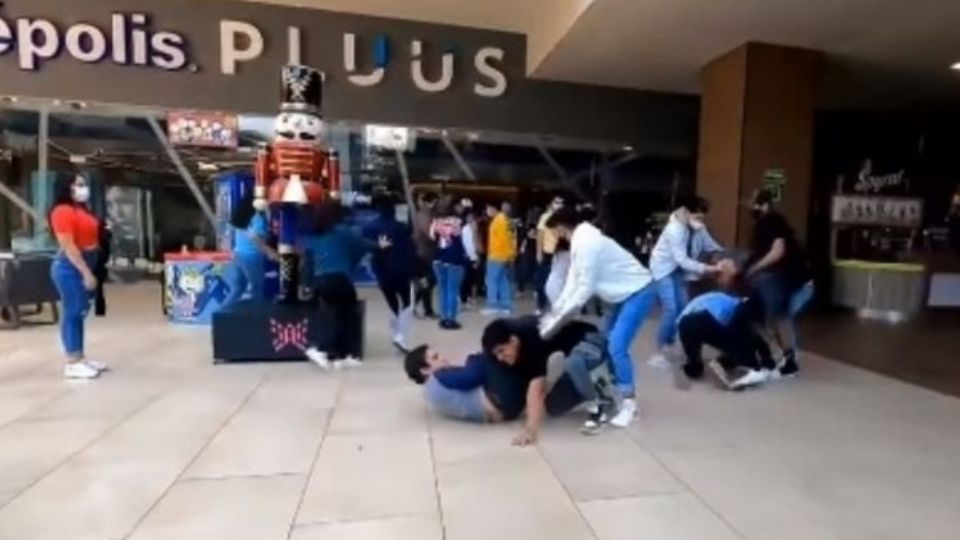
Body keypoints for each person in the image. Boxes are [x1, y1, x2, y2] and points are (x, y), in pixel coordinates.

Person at [541, 206, 657, 428]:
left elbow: (584, 288)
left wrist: (561, 318)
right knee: (604, 343)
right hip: (620, 296)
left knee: (616, 346)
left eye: (555, 230)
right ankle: (612, 391)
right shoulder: (580, 241)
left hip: (638, 291)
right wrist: (556, 312)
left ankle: (630, 405)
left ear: (562, 227)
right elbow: (573, 283)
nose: (555, 236)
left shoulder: (588, 243)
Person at [482, 317, 610, 445]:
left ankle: (598, 391)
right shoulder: (512, 339)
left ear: (513, 341)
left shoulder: (534, 341)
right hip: (570, 352)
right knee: (554, 405)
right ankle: (587, 384)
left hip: (590, 341)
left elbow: (536, 389)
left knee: (575, 363)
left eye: (502, 351)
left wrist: (530, 432)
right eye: (496, 354)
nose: (500, 358)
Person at [743, 189, 812, 377]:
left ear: (764, 205)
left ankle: (790, 361)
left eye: (753, 201)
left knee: (779, 317)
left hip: (796, 282)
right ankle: (782, 358)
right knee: (770, 317)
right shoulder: (764, 223)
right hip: (783, 280)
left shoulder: (771, 220)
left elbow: (778, 250)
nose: (750, 205)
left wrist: (754, 268)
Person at [647, 196, 723, 368]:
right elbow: (681, 259)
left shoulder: (692, 226)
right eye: (698, 217)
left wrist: (720, 256)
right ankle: (658, 351)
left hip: (677, 270)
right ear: (687, 212)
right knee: (671, 309)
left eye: (703, 218)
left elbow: (711, 245)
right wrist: (707, 269)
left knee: (683, 308)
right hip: (662, 270)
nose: (701, 221)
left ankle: (670, 342)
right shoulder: (675, 229)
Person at [302, 203, 376, 367]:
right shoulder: (342, 231)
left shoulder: (314, 236)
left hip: (320, 280)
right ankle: (333, 351)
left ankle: (334, 353)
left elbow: (308, 262)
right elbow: (362, 246)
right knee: (348, 315)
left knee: (334, 313)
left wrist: (307, 284)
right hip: (339, 278)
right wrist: (380, 246)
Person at [48, 174, 107, 379]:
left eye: (85, 185)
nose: (84, 188)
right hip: (70, 267)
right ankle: (72, 361)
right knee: (73, 312)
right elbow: (69, 246)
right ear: (68, 187)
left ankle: (80, 357)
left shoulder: (80, 209)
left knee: (80, 312)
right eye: (80, 184)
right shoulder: (61, 211)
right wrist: (86, 273)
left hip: (88, 260)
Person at [677, 290, 776, 390]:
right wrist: (759, 363)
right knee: (740, 340)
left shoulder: (729, 302)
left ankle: (696, 365)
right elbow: (751, 338)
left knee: (695, 369)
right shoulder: (738, 311)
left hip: (685, 324)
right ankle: (725, 363)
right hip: (701, 319)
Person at [363, 192, 416, 353]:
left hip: (381, 271)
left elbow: (365, 248)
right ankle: (401, 336)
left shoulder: (368, 227)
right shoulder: (402, 228)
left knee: (392, 302)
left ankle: (395, 333)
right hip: (401, 270)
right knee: (407, 302)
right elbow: (410, 250)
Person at [404, 346, 504, 423]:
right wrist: (474, 358)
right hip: (499, 400)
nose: (442, 358)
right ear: (425, 370)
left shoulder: (429, 393)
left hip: (493, 413)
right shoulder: (438, 377)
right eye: (435, 357)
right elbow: (470, 377)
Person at [224, 194, 277, 306]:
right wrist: (270, 252)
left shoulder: (243, 217)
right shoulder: (257, 217)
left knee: (237, 289)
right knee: (257, 291)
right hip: (251, 257)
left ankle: (220, 314)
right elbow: (255, 238)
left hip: (237, 255)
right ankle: (256, 319)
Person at [430, 203, 469, 330]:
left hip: (437, 258)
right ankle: (451, 319)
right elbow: (462, 240)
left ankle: (443, 318)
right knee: (453, 290)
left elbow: (432, 238)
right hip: (455, 259)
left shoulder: (435, 223)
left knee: (443, 290)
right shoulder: (456, 222)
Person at [484, 201, 516, 315]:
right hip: (504, 256)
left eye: (488, 208)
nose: (487, 211)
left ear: (493, 208)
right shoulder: (508, 220)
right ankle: (505, 305)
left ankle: (492, 305)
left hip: (496, 255)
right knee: (503, 280)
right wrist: (511, 256)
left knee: (492, 280)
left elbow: (504, 240)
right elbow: (512, 240)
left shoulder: (498, 221)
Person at [412, 192, 439, 318]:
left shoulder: (426, 214)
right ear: (429, 202)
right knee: (429, 281)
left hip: (424, 253)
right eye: (434, 202)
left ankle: (424, 309)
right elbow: (429, 233)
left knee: (427, 282)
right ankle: (417, 306)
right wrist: (440, 235)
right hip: (424, 254)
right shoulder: (424, 215)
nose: (435, 205)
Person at [459, 209, 481, 306]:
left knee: (473, 278)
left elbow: (477, 243)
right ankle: (463, 297)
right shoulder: (464, 229)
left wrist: (478, 256)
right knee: (466, 278)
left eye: (472, 216)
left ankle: (470, 296)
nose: (471, 218)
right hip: (467, 256)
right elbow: (463, 242)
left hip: (475, 256)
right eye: (469, 216)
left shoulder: (476, 228)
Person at [93, 220, 112, 317]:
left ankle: (97, 308)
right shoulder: (105, 234)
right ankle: (100, 309)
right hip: (101, 261)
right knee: (99, 287)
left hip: (95, 259)